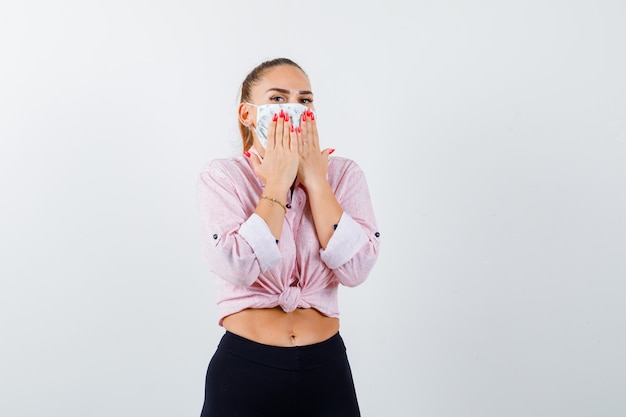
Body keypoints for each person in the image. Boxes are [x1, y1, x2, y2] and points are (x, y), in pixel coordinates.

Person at [196, 57, 380, 417]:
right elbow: (237, 264)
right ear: (247, 114)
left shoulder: (343, 174)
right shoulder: (222, 177)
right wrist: (279, 180)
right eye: (278, 99)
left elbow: (357, 269)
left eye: (304, 100)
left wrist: (315, 181)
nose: (293, 109)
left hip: (325, 369)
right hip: (245, 368)